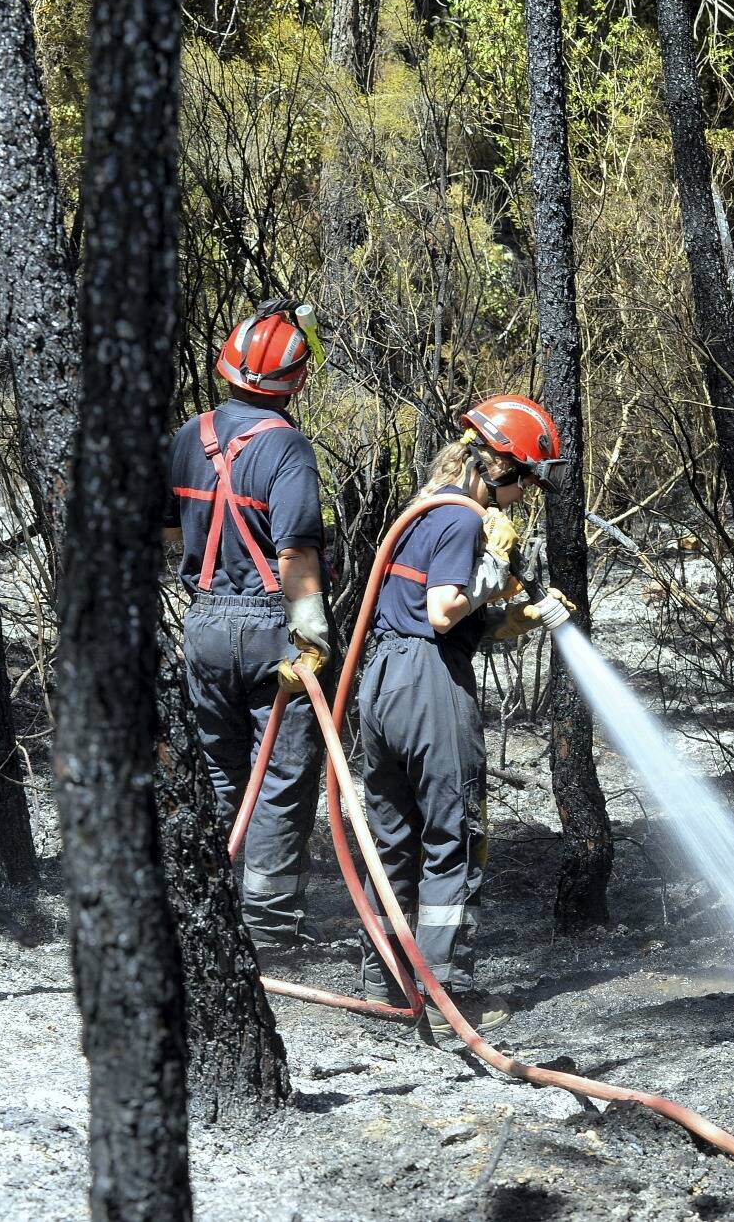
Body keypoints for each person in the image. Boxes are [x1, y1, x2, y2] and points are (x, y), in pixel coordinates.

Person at [360, 394, 573, 1036]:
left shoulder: (422, 510)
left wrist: (514, 614)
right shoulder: (462, 516)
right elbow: (442, 611)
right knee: (453, 835)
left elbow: (427, 608)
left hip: (381, 682)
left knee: (391, 838)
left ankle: (386, 982)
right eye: (525, 480)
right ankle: (439, 986)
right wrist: (498, 566)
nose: (524, 494)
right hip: (428, 684)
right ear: (499, 466)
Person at [163, 298, 330, 952]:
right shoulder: (286, 446)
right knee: (282, 773)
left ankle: (215, 914)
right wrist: (312, 631)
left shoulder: (189, 434)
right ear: (295, 380)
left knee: (219, 768)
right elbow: (296, 552)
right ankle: (268, 927)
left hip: (203, 622)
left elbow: (171, 527)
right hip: (270, 631)